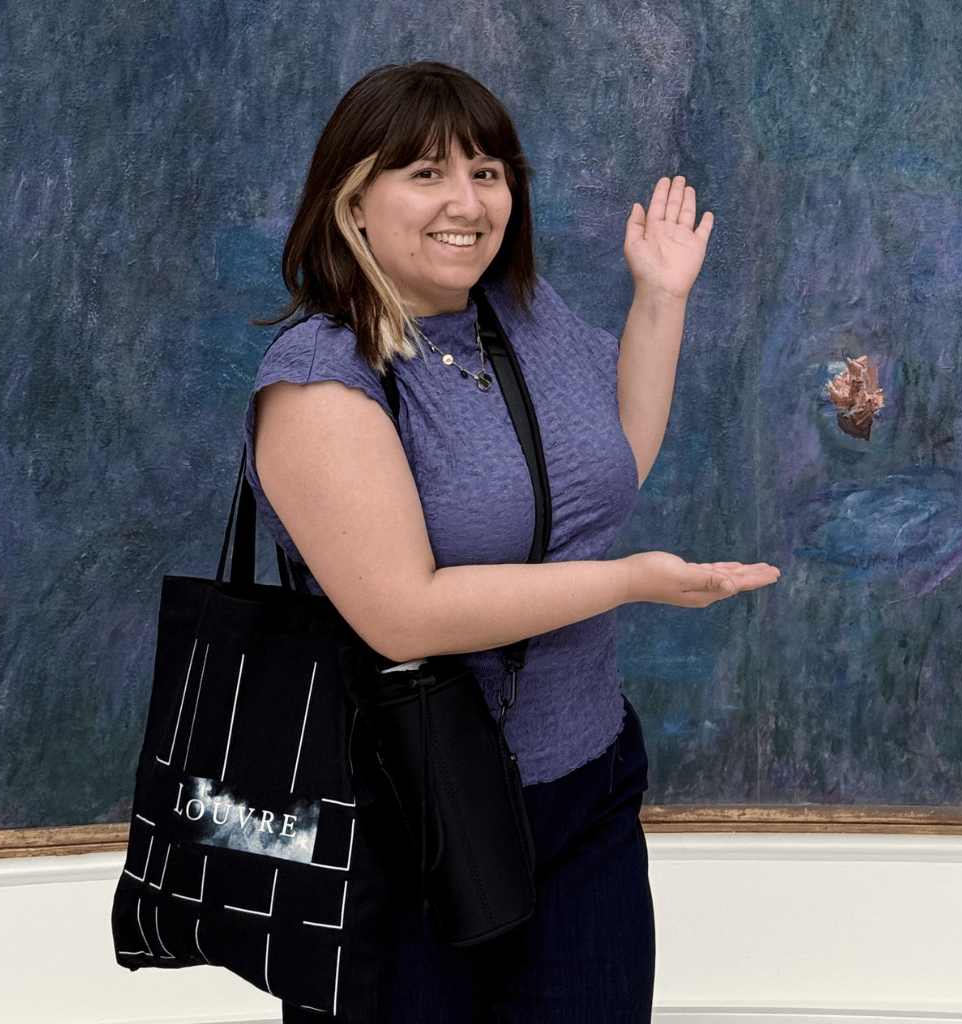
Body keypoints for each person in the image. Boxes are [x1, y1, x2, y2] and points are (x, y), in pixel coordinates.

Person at [246, 61, 779, 1024]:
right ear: (352, 201)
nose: (467, 200)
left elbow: (608, 468)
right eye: (425, 173)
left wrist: (660, 299)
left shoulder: (518, 315)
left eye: (486, 171)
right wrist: (628, 583)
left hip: (586, 793)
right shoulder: (321, 381)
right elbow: (403, 615)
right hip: (407, 827)